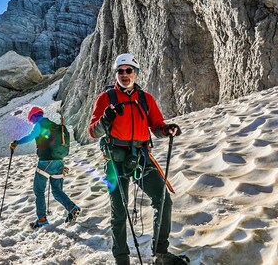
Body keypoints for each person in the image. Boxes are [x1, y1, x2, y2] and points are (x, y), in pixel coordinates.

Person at [87, 53, 186, 265]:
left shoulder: (145, 99)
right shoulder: (106, 99)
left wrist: (166, 129)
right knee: (119, 211)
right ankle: (121, 259)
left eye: (128, 70)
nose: (124, 74)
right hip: (115, 159)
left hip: (141, 156)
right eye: (120, 71)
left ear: (136, 73)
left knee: (163, 200)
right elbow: (93, 132)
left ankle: (160, 252)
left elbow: (157, 124)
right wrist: (106, 119)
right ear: (116, 74)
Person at [10, 106, 80, 229]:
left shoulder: (39, 124)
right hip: (59, 161)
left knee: (39, 190)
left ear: (33, 117)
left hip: (45, 162)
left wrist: (16, 142)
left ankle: (42, 219)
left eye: (31, 120)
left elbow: (30, 137)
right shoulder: (54, 125)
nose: (32, 122)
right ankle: (72, 208)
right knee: (57, 191)